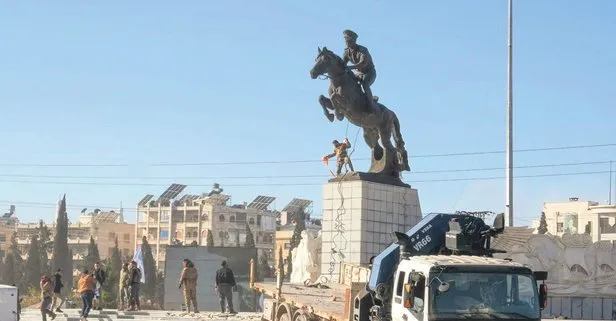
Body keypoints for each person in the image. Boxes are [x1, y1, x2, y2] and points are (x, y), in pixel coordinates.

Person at [341, 29, 378, 111]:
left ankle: (371, 104)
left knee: (365, 84)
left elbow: (362, 63)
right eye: (345, 39)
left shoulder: (362, 50)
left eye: (347, 39)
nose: (346, 41)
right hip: (358, 74)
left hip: (369, 72)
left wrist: (350, 67)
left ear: (353, 40)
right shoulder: (347, 52)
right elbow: (342, 63)